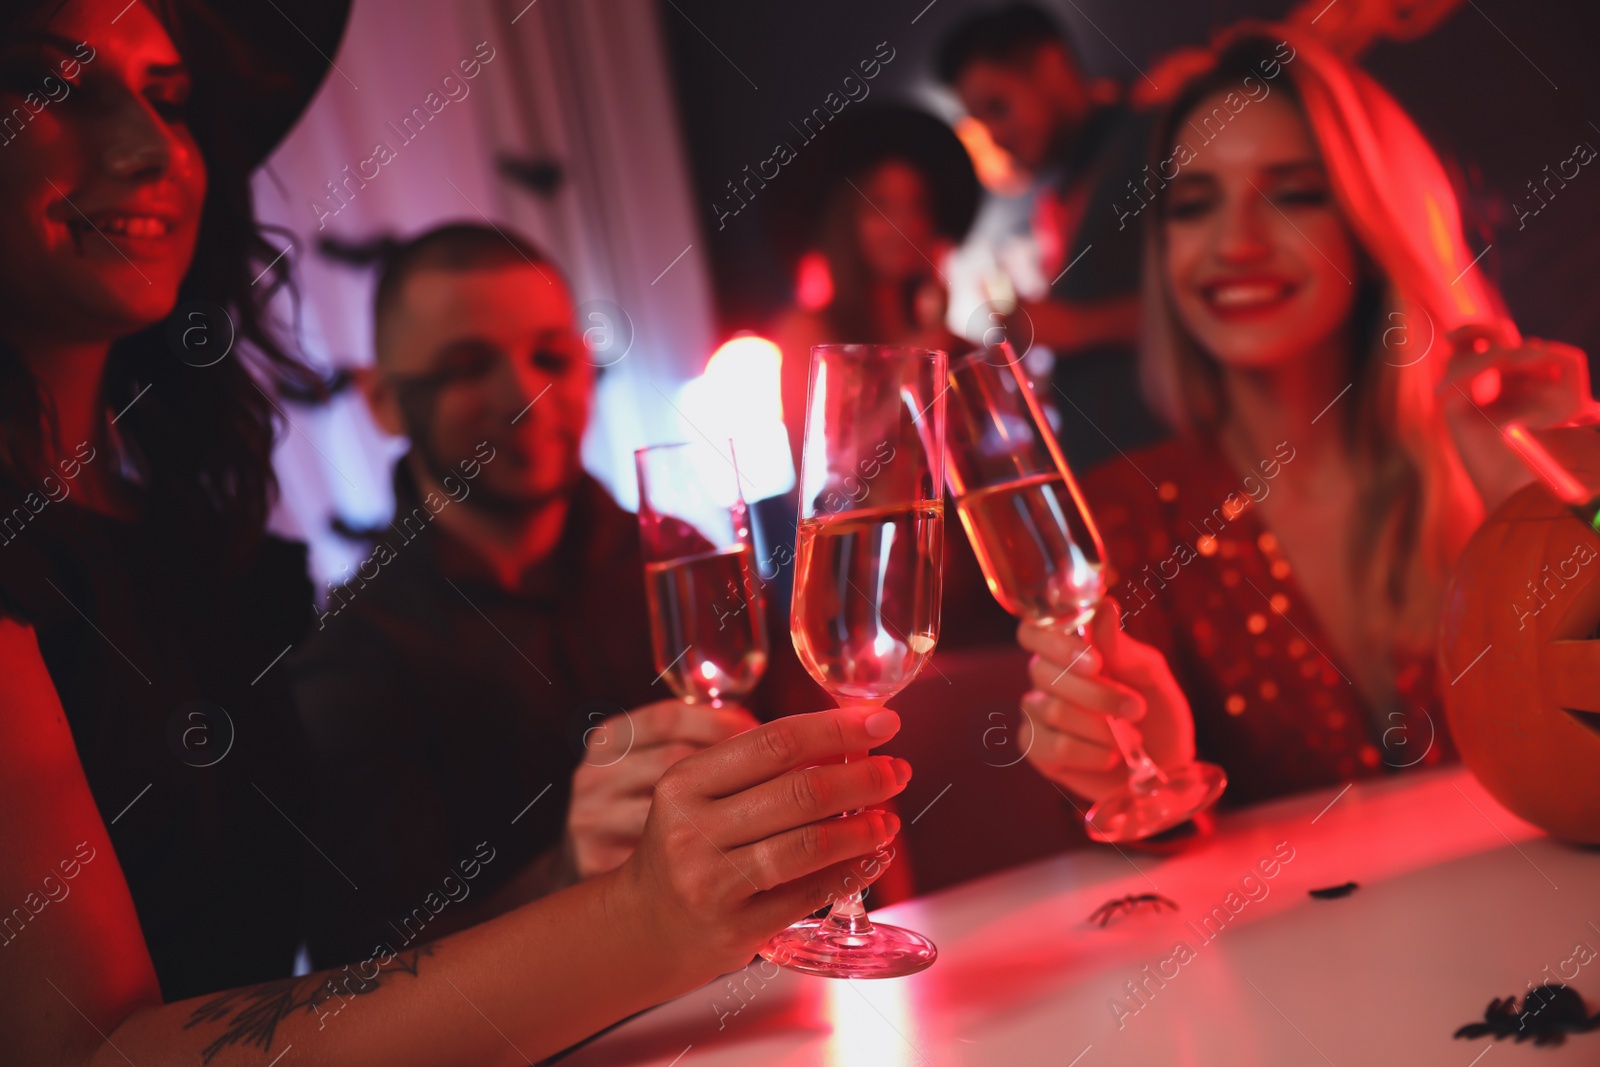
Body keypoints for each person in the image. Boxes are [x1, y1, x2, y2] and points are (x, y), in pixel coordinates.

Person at [0, 3, 913, 1063]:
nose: (149, 144)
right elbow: (91, 1045)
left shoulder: (212, 556)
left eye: (172, 97)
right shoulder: (353, 649)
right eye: (50, 84)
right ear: (387, 397)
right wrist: (626, 901)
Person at [1014, 27, 1594, 809]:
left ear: (1369, 222)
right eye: (1193, 204)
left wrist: (1562, 509)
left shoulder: (1503, 452)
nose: (1235, 243)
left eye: (1291, 194)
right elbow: (1148, 884)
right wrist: (1151, 783)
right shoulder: (1126, 520)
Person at [291, 223, 762, 967]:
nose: (526, 395)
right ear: (384, 401)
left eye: (551, 357)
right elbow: (367, 976)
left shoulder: (685, 559)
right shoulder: (356, 652)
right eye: (469, 365)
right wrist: (570, 877)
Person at [768, 103, 1016, 660]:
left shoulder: (943, 338)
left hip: (962, 581)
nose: (905, 225)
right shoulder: (808, 330)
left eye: (918, 206)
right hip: (865, 580)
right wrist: (922, 357)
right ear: (845, 220)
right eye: (880, 206)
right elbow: (832, 477)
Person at [937, 2, 1169, 470]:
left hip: (1177, 466)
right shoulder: (1066, 189)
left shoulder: (1154, 144)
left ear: (1050, 67)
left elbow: (1213, 303)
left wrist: (1076, 327)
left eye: (998, 107)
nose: (996, 136)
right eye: (982, 122)